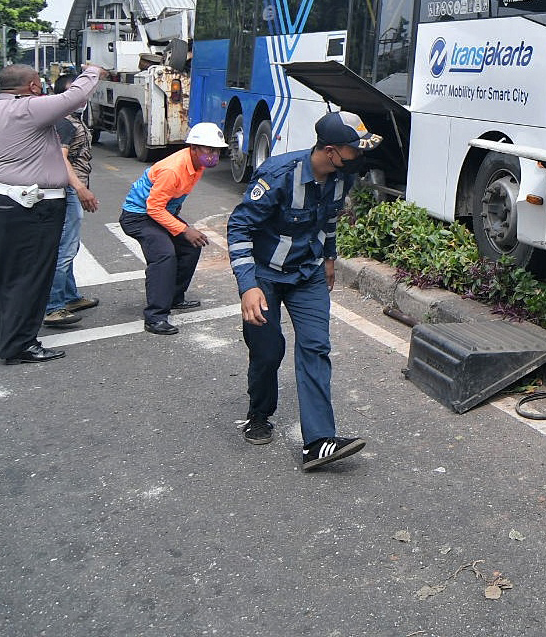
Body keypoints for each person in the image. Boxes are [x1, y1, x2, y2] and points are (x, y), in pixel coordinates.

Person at [229, 111, 381, 470]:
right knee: (268, 351)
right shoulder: (278, 177)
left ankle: (318, 443)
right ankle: (259, 414)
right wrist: (247, 287)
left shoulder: (341, 177)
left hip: (308, 274)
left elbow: (328, 218)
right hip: (265, 276)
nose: (358, 157)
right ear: (330, 151)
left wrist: (329, 257)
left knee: (316, 348)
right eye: (352, 150)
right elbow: (239, 228)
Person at [0, 62, 104, 365]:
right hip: (27, 206)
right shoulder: (28, 107)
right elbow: (74, 97)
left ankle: (3, 340)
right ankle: (20, 345)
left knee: (0, 276)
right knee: (29, 277)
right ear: (32, 86)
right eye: (38, 83)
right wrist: (93, 71)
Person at [118, 122, 229, 335]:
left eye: (217, 150)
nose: (213, 154)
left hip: (160, 214)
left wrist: (182, 230)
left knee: (191, 246)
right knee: (164, 255)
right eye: (209, 149)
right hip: (139, 216)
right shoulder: (173, 169)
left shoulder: (198, 165)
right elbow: (154, 208)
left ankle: (175, 297)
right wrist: (184, 229)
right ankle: (155, 317)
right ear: (193, 148)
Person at [41, 75, 101, 329]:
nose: (82, 99)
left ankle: (69, 297)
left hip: (71, 192)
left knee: (70, 247)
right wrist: (80, 189)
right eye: (75, 93)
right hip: (66, 193)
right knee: (64, 249)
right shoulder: (64, 123)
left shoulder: (70, 120)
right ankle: (53, 306)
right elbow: (61, 158)